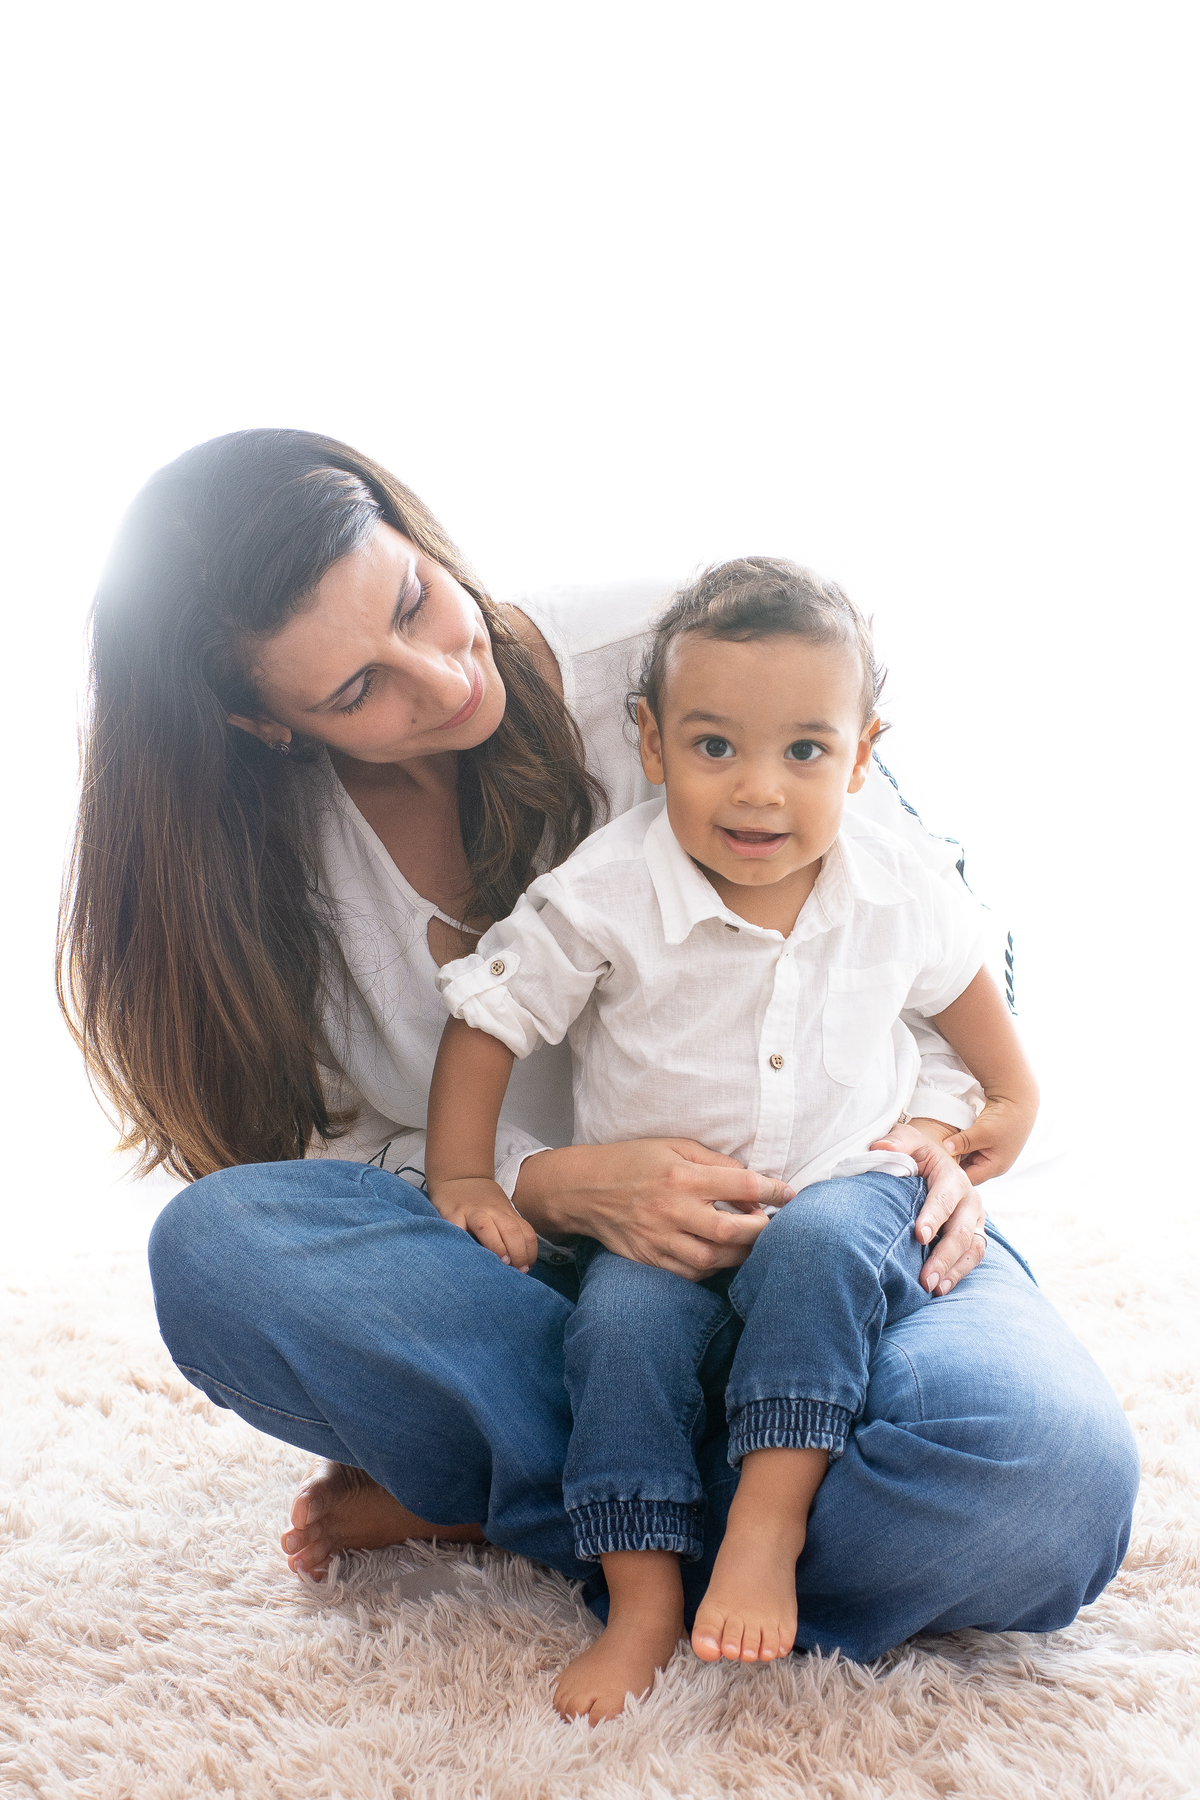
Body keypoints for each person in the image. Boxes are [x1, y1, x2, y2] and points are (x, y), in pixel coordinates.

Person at [58, 429, 1136, 1711]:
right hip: (533, 1275)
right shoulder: (249, 882)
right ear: (262, 722)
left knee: (1045, 1486)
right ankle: (717, 1512)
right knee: (220, 1248)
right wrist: (551, 1183)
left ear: (414, 532)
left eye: (414, 600)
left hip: (840, 1220)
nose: (440, 676)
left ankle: (559, 1505)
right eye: (358, 691)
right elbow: (331, 1157)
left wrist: (939, 1128)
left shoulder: (672, 656)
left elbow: (930, 916)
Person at [426, 560, 1041, 1721]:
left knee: (818, 1249)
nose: (758, 791)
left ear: (862, 757)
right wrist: (465, 1174)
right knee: (617, 1330)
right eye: (715, 748)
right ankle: (643, 1590)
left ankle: (766, 1521)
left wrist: (991, 1115)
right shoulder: (605, 886)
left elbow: (980, 1025)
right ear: (651, 746)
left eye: (805, 752)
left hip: (842, 1184)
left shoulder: (895, 879)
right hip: (666, 1218)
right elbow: (490, 1013)